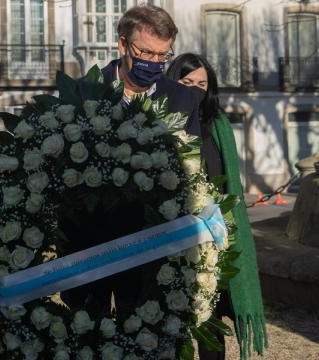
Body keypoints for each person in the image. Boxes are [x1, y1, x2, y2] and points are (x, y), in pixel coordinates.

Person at [59, 4, 220, 319]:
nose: (154, 63)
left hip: (152, 250)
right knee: (88, 335)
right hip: (90, 244)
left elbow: (192, 170)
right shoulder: (83, 93)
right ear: (122, 44)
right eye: (146, 53)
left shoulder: (185, 100)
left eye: (163, 56)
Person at [166, 53, 268, 360]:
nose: (195, 89)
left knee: (209, 319)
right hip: (172, 238)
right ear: (172, 83)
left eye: (202, 83)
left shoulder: (219, 126)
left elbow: (227, 181)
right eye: (186, 82)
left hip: (216, 238)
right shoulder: (161, 123)